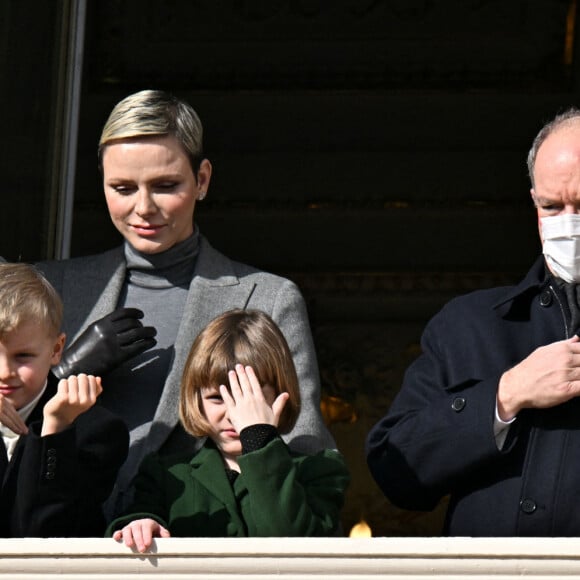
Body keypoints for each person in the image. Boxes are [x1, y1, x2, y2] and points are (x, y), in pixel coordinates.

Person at [38, 89, 335, 518]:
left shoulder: (268, 297)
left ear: (203, 179)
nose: (143, 207)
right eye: (122, 187)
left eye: (165, 185)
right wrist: (60, 375)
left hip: (196, 542)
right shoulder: (54, 287)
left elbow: (301, 447)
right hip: (63, 542)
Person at [366, 107, 580, 537]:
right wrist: (504, 396)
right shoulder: (469, 325)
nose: (568, 223)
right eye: (551, 206)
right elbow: (395, 470)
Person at [107, 309, 349, 551]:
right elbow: (130, 529)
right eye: (216, 398)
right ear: (196, 399)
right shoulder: (166, 475)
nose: (234, 414)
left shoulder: (321, 470)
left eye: (248, 397)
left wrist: (259, 440)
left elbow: (290, 543)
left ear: (280, 395)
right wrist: (141, 526)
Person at [0, 263, 128, 537]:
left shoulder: (97, 431)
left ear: (57, 349)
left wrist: (55, 432)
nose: (5, 373)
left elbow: (41, 533)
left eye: (23, 356)